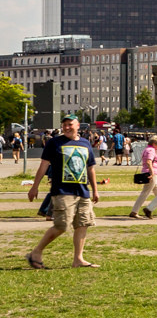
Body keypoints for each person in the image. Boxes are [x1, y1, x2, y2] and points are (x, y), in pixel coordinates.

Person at [26, 115, 99, 270]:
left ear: (78, 126)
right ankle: (36, 252)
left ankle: (78, 259)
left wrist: (95, 190)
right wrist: (34, 186)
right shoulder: (54, 142)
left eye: (70, 124)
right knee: (62, 224)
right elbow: (44, 165)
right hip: (62, 191)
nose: (66, 127)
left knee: (83, 224)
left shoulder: (85, 143)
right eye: (64, 124)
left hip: (82, 191)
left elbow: (90, 168)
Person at [126, 134, 157, 219]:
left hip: (152, 172)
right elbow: (149, 162)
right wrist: (152, 173)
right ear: (154, 144)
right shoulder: (151, 150)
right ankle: (134, 211)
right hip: (151, 173)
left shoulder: (147, 149)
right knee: (145, 193)